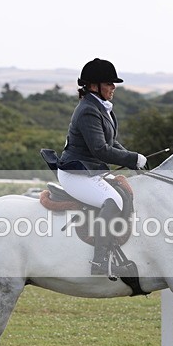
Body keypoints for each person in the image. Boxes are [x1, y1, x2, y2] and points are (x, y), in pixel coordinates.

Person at [57, 58, 147, 275]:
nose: (113, 87)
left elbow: (112, 143)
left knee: (124, 194)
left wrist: (132, 159)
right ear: (94, 85)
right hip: (76, 173)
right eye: (109, 83)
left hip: (90, 171)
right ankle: (100, 261)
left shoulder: (103, 108)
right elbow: (100, 150)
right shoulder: (88, 110)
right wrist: (133, 158)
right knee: (113, 200)